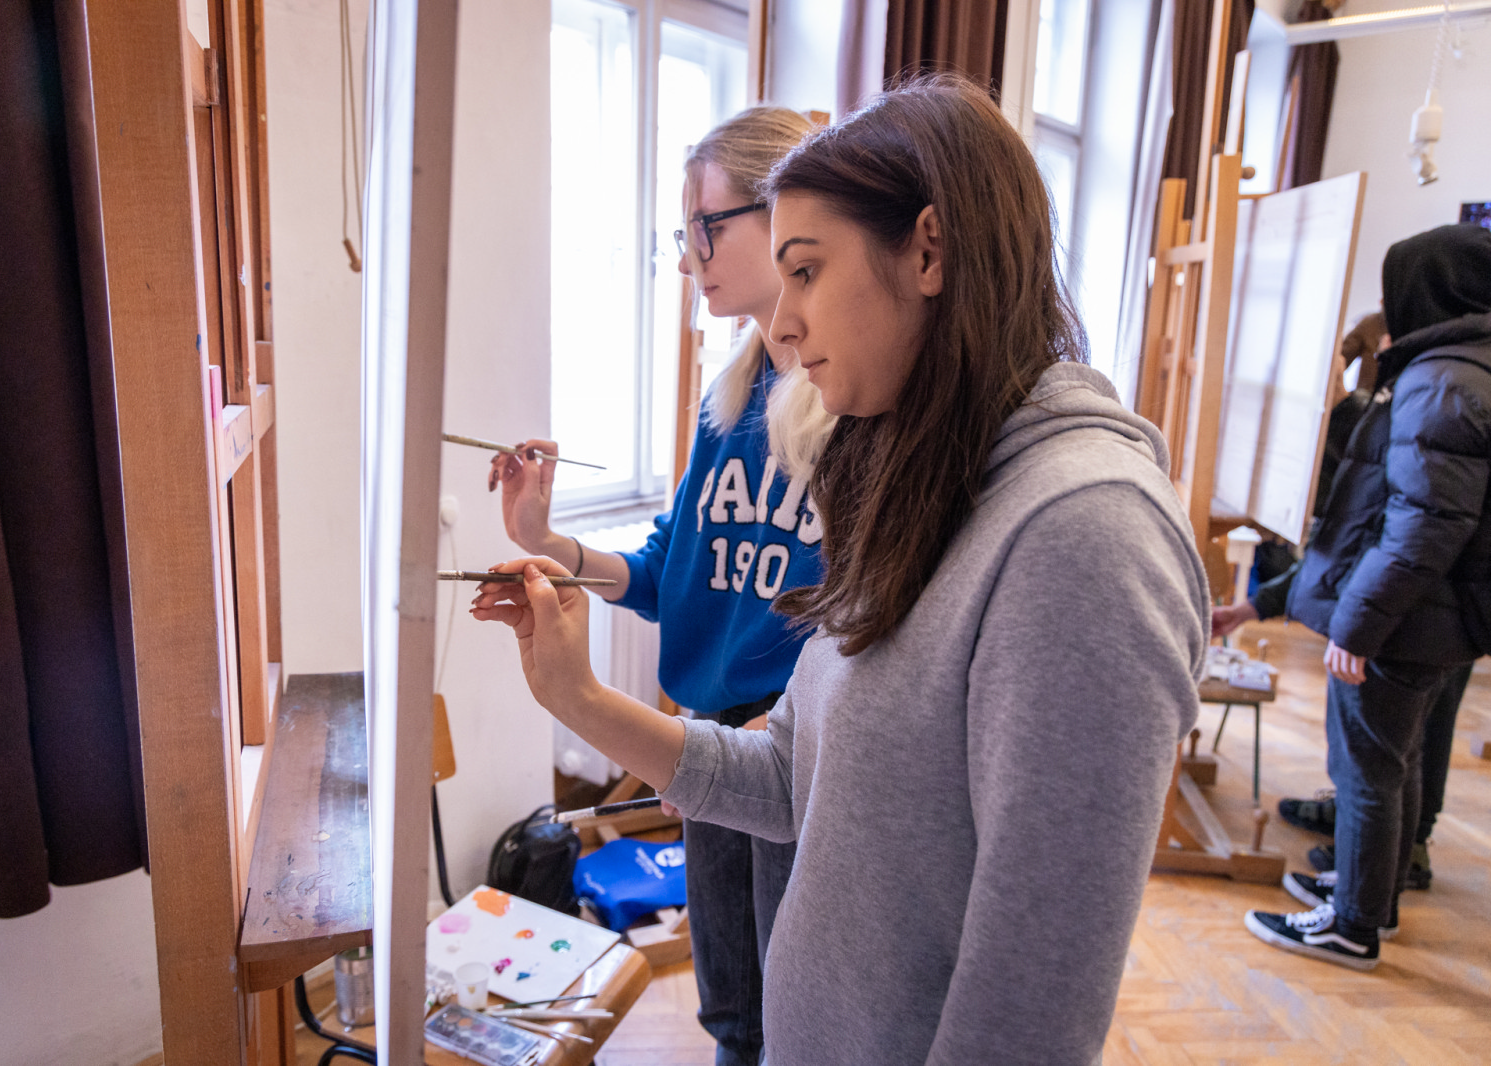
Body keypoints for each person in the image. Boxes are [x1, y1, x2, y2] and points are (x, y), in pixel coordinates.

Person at [473, 77, 1208, 1064]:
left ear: (929, 251)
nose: (781, 326)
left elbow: (1028, 1012)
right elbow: (789, 778)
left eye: (807, 272)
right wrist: (576, 694)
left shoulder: (1084, 538)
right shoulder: (915, 481)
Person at [486, 106, 832, 1066]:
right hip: (717, 739)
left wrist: (775, 724)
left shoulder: (850, 397)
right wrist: (547, 542)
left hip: (796, 748)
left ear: (786, 215)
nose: (689, 259)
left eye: (705, 228)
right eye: (683, 235)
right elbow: (667, 575)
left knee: (793, 1020)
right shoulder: (731, 400)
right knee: (732, 1013)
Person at [1246, 222, 1491, 969]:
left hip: (1406, 620)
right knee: (1397, 761)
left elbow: (1421, 528)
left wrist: (1356, 626)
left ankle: (1350, 924)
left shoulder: (1441, 380)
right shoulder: (1462, 370)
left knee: (1367, 769)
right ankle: (1370, 899)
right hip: (1432, 618)